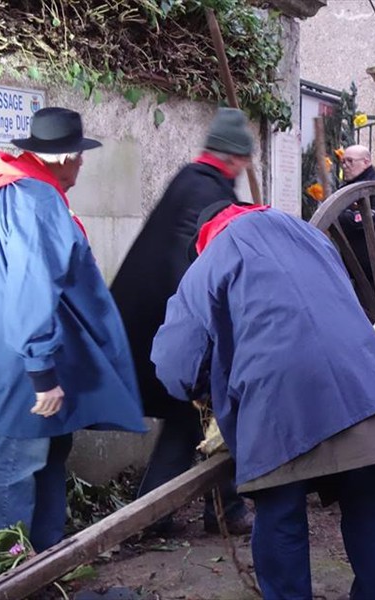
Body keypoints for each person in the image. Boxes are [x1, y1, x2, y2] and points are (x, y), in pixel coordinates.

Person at [151, 202, 375, 599]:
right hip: (365, 387)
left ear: (204, 239)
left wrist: (205, 391)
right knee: (368, 503)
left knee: (280, 520)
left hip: (277, 409)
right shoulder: (308, 235)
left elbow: (174, 365)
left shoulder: (207, 265)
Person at [0, 107, 147, 552]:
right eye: (80, 154)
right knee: (18, 465)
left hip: (17, 354)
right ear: (64, 155)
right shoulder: (36, 201)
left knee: (47, 459)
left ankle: (43, 563)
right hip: (29, 365)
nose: (83, 163)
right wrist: (42, 372)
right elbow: (32, 286)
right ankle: (5, 577)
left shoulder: (3, 193)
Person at [110, 108, 253, 536]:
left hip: (153, 326)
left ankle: (210, 512)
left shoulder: (191, 181)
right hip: (172, 331)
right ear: (233, 158)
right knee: (199, 415)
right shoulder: (209, 194)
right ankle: (157, 518)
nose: (246, 167)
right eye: (244, 159)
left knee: (198, 418)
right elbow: (198, 269)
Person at [338, 144, 375, 281]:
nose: (345, 166)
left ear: (366, 162)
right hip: (354, 267)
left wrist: (345, 218)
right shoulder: (344, 189)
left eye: (350, 161)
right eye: (343, 161)